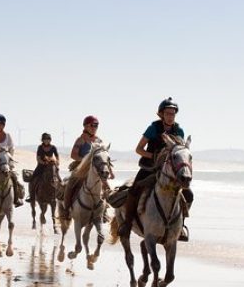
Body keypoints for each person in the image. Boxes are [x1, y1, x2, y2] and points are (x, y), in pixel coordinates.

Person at [117, 97, 192, 241]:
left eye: (173, 114)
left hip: (170, 171)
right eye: (168, 113)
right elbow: (138, 149)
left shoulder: (179, 130)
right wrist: (155, 156)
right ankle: (127, 223)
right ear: (161, 114)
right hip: (150, 167)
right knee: (134, 190)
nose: (170, 116)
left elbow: (180, 150)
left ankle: (180, 226)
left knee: (189, 195)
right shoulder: (153, 128)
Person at [62, 115, 103, 217]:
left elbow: (103, 157)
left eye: (96, 125)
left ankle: (104, 211)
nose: (94, 128)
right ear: (85, 126)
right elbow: (73, 155)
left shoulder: (99, 141)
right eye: (92, 125)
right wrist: (85, 160)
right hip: (81, 168)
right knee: (70, 185)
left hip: (95, 169)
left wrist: (110, 172)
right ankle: (66, 210)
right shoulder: (80, 140)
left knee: (106, 187)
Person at [26, 132, 60, 203]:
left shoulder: (53, 147)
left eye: (48, 139)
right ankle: (32, 195)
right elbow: (38, 158)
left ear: (50, 140)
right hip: (41, 166)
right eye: (45, 139)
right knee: (33, 178)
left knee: (59, 178)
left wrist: (57, 162)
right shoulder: (40, 147)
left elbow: (57, 156)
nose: (46, 140)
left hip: (51, 165)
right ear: (42, 140)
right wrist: (44, 163)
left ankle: (60, 194)